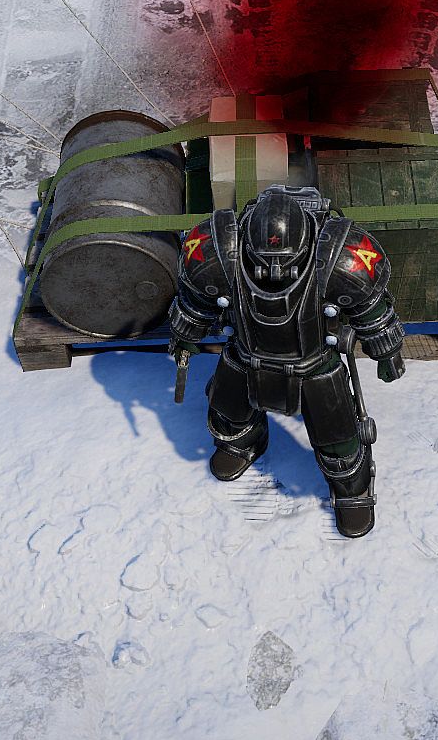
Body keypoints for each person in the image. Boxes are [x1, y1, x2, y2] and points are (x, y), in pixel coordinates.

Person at [168, 184, 407, 537]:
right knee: (227, 412)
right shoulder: (220, 248)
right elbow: (196, 299)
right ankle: (242, 440)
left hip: (315, 366)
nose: (275, 270)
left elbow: (371, 308)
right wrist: (185, 335)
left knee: (337, 438)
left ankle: (351, 487)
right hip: (245, 354)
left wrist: (386, 351)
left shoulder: (339, 254)